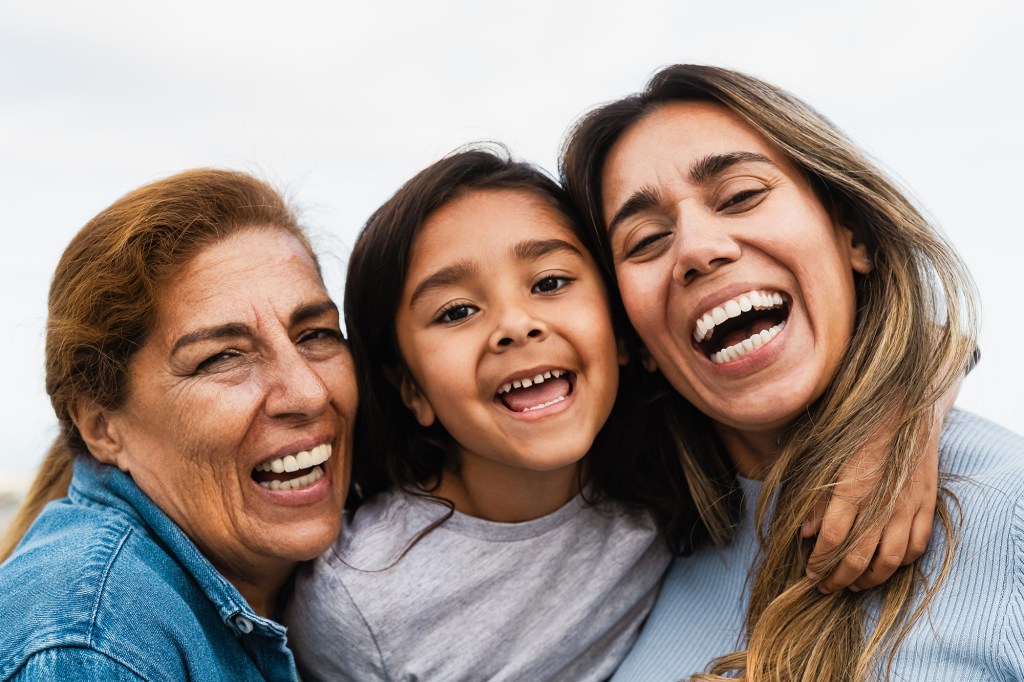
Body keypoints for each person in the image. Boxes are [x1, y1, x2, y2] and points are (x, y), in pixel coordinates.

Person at [284, 147, 945, 680]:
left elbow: (941, 336)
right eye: (456, 312)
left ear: (622, 332)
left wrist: (895, 425)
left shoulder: (671, 448)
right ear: (411, 391)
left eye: (550, 283)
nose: (515, 325)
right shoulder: (359, 599)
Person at [560, 64, 1024, 680]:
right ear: (633, 338)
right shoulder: (634, 550)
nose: (697, 249)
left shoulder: (1009, 514)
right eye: (646, 239)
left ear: (852, 234)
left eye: (742, 196)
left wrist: (907, 404)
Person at [0, 169, 357, 680]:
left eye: (316, 333)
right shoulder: (94, 649)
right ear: (102, 428)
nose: (308, 392)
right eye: (222, 357)